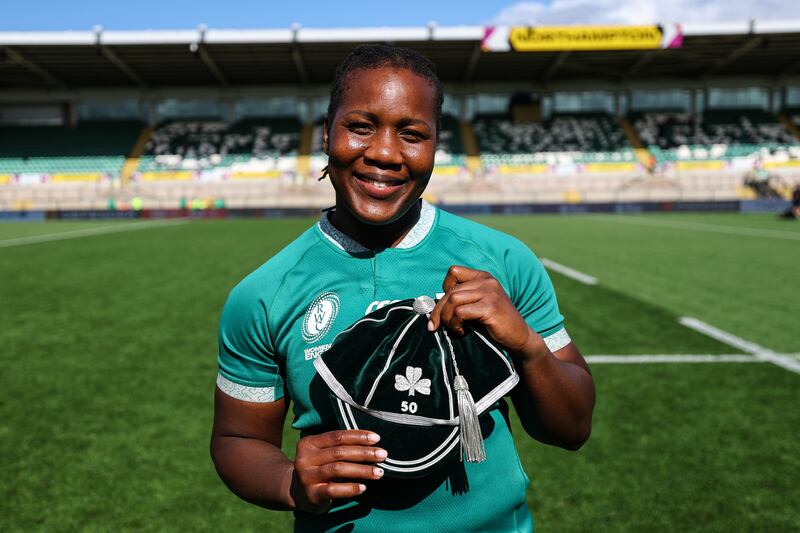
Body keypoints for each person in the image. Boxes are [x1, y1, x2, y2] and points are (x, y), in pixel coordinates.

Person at [210, 44, 596, 532]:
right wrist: (289, 482)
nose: (385, 153)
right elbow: (238, 439)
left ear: (436, 145)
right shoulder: (263, 294)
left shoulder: (503, 261)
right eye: (360, 127)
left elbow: (572, 429)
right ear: (326, 132)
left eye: (412, 134)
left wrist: (527, 345)